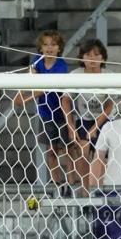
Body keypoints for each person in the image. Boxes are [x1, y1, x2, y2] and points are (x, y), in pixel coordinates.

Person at [14, 31, 72, 186]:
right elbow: (30, 76)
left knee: (67, 149)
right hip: (46, 112)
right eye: (45, 44)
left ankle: (72, 182)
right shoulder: (38, 60)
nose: (49, 48)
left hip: (63, 111)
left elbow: (48, 86)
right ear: (40, 47)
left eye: (53, 44)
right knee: (51, 148)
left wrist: (27, 98)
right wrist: (20, 94)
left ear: (59, 48)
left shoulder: (61, 65)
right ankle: (56, 182)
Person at [64, 39, 114, 190]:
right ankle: (85, 193)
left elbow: (110, 104)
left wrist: (96, 127)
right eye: (88, 54)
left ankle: (101, 192)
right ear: (81, 58)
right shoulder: (75, 75)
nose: (92, 58)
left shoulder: (109, 76)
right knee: (82, 151)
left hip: (105, 120)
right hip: (84, 119)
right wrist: (70, 126)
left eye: (97, 54)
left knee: (101, 156)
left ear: (103, 58)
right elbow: (65, 101)